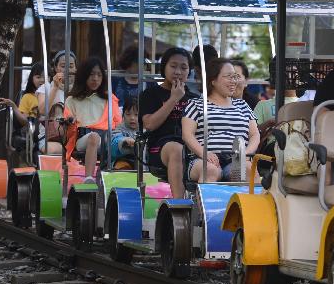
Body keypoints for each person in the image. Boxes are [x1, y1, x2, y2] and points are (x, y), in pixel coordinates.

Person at [183, 58, 259, 182]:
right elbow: (187, 135)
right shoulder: (195, 104)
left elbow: (255, 134)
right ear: (213, 80)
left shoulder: (243, 105)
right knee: (210, 171)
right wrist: (204, 153)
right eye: (228, 77)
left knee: (248, 169)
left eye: (235, 77)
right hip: (203, 159)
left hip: (236, 159)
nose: (234, 81)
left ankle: (249, 201)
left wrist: (246, 153)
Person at [139, 47, 196, 198]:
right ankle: (180, 203)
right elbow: (149, 125)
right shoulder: (150, 94)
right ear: (164, 67)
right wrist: (174, 99)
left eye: (183, 68)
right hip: (159, 147)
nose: (178, 71)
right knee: (176, 149)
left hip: (190, 146)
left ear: (189, 71)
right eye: (173, 66)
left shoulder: (194, 98)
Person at [64, 57, 121, 183]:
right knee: (93, 137)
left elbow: (118, 122)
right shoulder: (72, 100)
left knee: (124, 142)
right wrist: (70, 121)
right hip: (83, 138)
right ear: (83, 76)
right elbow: (67, 122)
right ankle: (89, 177)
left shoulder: (109, 99)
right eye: (91, 74)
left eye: (99, 75)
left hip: (106, 137)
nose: (95, 78)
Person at [38, 51, 76, 117]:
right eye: (63, 66)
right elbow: (42, 111)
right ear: (56, 68)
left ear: (75, 68)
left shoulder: (80, 88)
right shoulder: (45, 87)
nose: (68, 70)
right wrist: (55, 87)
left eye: (71, 66)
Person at [112, 45, 143, 109]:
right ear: (128, 62)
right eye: (136, 63)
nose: (140, 66)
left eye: (142, 63)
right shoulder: (116, 81)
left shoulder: (149, 82)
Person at [110, 100, 138, 169]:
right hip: (124, 159)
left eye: (136, 115)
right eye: (128, 114)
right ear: (123, 115)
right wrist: (124, 141)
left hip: (144, 161)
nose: (132, 118)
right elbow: (114, 143)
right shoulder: (119, 129)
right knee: (121, 166)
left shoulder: (147, 129)